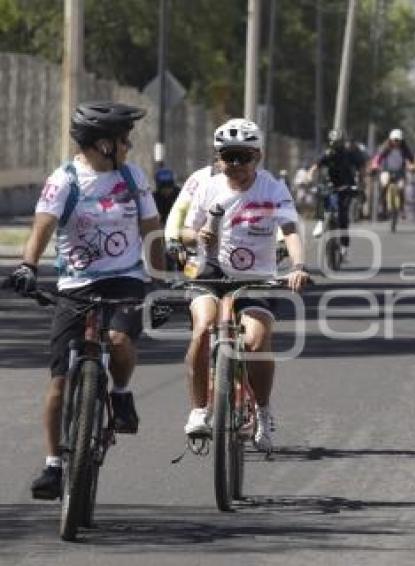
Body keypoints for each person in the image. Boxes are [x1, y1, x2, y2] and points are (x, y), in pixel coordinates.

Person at [4, 101, 164, 499]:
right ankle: (54, 465)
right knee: (58, 384)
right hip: (76, 286)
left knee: (121, 341)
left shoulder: (133, 177)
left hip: (125, 278)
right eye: (124, 139)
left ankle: (121, 393)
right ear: (104, 144)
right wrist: (27, 264)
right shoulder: (66, 179)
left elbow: (151, 230)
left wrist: (163, 280)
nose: (129, 145)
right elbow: (43, 227)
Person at [179, 118, 309, 453]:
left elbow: (290, 230)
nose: (235, 165)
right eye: (228, 156)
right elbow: (185, 232)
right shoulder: (208, 187)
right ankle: (199, 410)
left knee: (257, 339)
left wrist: (297, 266)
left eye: (244, 157)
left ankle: (263, 411)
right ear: (218, 157)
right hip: (210, 274)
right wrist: (199, 235)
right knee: (203, 327)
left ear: (258, 156)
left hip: (256, 279)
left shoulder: (273, 188)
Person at [308, 129, 366, 258]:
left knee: (343, 217)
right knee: (322, 198)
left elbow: (361, 167)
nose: (335, 145)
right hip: (330, 185)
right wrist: (310, 177)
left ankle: (344, 246)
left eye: (338, 143)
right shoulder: (328, 153)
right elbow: (316, 166)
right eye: (333, 143)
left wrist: (361, 183)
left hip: (346, 186)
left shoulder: (350, 154)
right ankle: (321, 221)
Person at [371, 128, 415, 220]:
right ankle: (382, 208)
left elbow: (412, 160)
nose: (396, 142)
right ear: (390, 140)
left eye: (398, 140)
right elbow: (377, 158)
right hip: (386, 171)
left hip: (400, 173)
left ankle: (402, 209)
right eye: (394, 140)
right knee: (384, 185)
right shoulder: (385, 148)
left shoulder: (404, 150)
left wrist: (412, 166)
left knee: (401, 187)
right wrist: (375, 165)